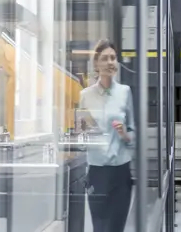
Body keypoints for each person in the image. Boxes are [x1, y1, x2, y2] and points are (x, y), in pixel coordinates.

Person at [78, 39, 134, 232]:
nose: (110, 62)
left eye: (113, 58)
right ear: (96, 64)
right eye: (105, 58)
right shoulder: (85, 95)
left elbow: (133, 133)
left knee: (116, 227)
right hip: (97, 171)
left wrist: (125, 134)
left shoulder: (125, 92)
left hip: (121, 171)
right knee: (100, 227)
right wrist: (84, 131)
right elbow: (80, 133)